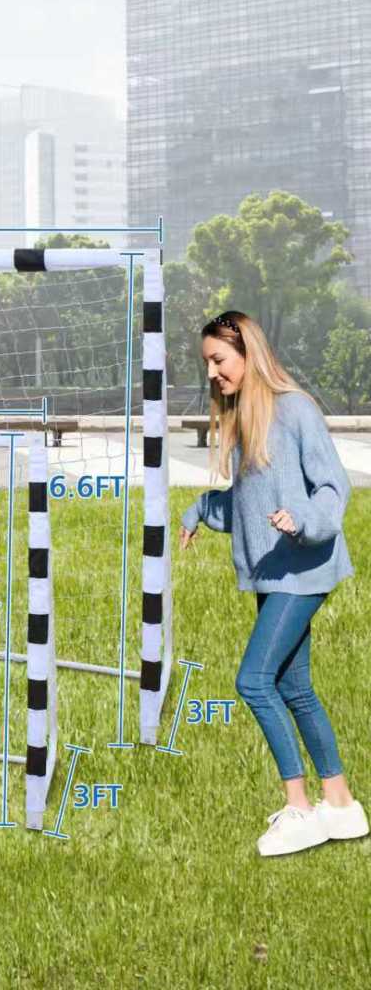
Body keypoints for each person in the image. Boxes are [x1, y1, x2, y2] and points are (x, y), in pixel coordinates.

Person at [180, 311, 368, 857]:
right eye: (208, 363)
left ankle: (300, 808)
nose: (212, 372)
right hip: (273, 572)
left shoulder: (295, 409)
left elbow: (333, 487)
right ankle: (342, 805)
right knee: (294, 687)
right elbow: (248, 499)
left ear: (248, 353)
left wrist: (304, 520)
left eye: (219, 359)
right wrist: (198, 510)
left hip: (304, 566)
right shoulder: (246, 417)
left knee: (254, 681)